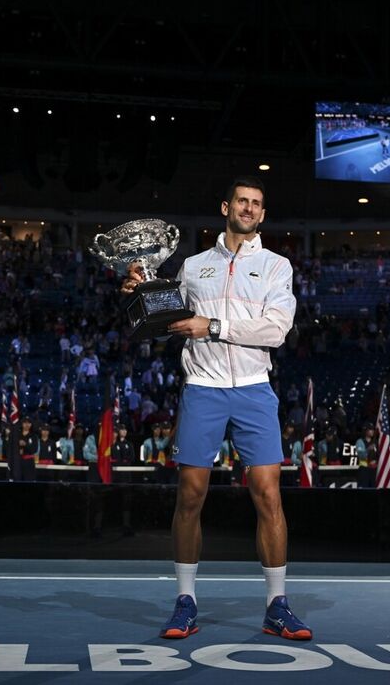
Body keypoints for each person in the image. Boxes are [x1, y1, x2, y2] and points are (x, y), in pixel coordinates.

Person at [121, 175, 310, 640]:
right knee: (190, 496)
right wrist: (142, 293)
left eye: (256, 204)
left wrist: (215, 325)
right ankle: (185, 602)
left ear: (262, 214)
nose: (248, 209)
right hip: (202, 387)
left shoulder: (276, 267)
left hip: (252, 387)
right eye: (242, 201)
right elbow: (170, 322)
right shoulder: (193, 266)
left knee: (268, 495)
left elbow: (275, 331)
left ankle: (277, 605)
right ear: (225, 206)